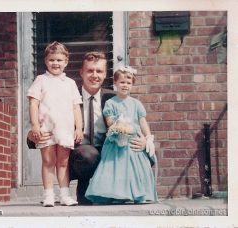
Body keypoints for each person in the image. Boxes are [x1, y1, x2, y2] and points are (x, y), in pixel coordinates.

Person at [27, 51, 147, 205]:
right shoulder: (67, 93)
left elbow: (131, 122)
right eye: (90, 70)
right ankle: (82, 188)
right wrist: (32, 135)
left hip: (107, 154)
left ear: (105, 75)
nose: (95, 75)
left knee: (143, 152)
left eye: (99, 71)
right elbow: (46, 116)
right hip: (75, 155)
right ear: (81, 73)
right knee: (87, 154)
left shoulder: (113, 98)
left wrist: (144, 139)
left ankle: (118, 189)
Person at [85, 67, 158, 204]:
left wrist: (148, 138)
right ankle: (117, 195)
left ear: (132, 85)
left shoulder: (136, 104)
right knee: (117, 166)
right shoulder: (111, 103)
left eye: (128, 83)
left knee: (136, 167)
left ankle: (138, 194)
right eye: (122, 82)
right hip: (117, 139)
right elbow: (110, 121)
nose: (125, 85)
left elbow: (142, 122)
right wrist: (119, 127)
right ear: (115, 83)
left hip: (134, 140)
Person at [27, 41, 83, 207]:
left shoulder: (71, 83)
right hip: (47, 128)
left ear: (66, 62)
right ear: (46, 61)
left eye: (59, 60)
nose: (55, 63)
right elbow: (33, 104)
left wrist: (78, 128)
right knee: (48, 161)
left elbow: (76, 107)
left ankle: (65, 195)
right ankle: (49, 195)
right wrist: (35, 125)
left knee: (63, 162)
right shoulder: (40, 80)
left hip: (65, 128)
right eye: (52, 60)